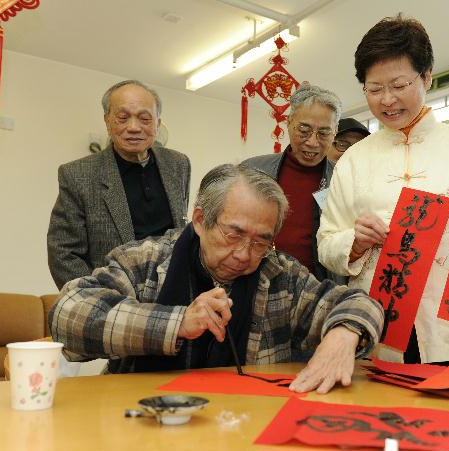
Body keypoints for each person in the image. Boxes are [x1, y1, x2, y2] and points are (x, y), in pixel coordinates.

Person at [49, 164, 384, 394]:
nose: (243, 254)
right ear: (199, 220)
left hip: (242, 422)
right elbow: (68, 314)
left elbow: (358, 302)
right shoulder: (145, 260)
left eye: (260, 241)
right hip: (140, 420)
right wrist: (177, 321)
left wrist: (344, 333)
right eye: (233, 234)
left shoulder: (279, 273)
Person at [317, 14, 449, 366]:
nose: (387, 100)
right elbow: (326, 244)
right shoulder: (352, 161)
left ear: (427, 76)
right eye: (374, 89)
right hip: (380, 328)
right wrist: (353, 242)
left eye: (399, 84)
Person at [47, 80, 191, 289]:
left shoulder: (178, 164)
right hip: (112, 297)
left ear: (158, 123)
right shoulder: (77, 174)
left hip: (171, 290)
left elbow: (181, 228)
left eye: (144, 118)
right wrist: (98, 300)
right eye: (123, 118)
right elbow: (63, 252)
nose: (133, 127)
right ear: (107, 121)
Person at [242, 83, 343, 283]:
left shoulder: (342, 179)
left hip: (317, 289)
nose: (313, 142)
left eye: (324, 133)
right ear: (289, 122)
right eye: (304, 130)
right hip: (253, 280)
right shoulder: (252, 170)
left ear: (335, 132)